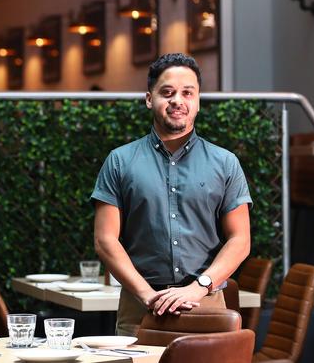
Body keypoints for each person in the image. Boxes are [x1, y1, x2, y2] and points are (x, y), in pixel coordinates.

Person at [90, 53, 252, 336]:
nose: (178, 100)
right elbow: (105, 240)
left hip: (206, 304)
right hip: (140, 307)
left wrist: (197, 287)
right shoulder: (119, 161)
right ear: (149, 99)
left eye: (187, 92)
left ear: (198, 101)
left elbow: (240, 240)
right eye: (167, 92)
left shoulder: (225, 163)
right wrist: (146, 295)